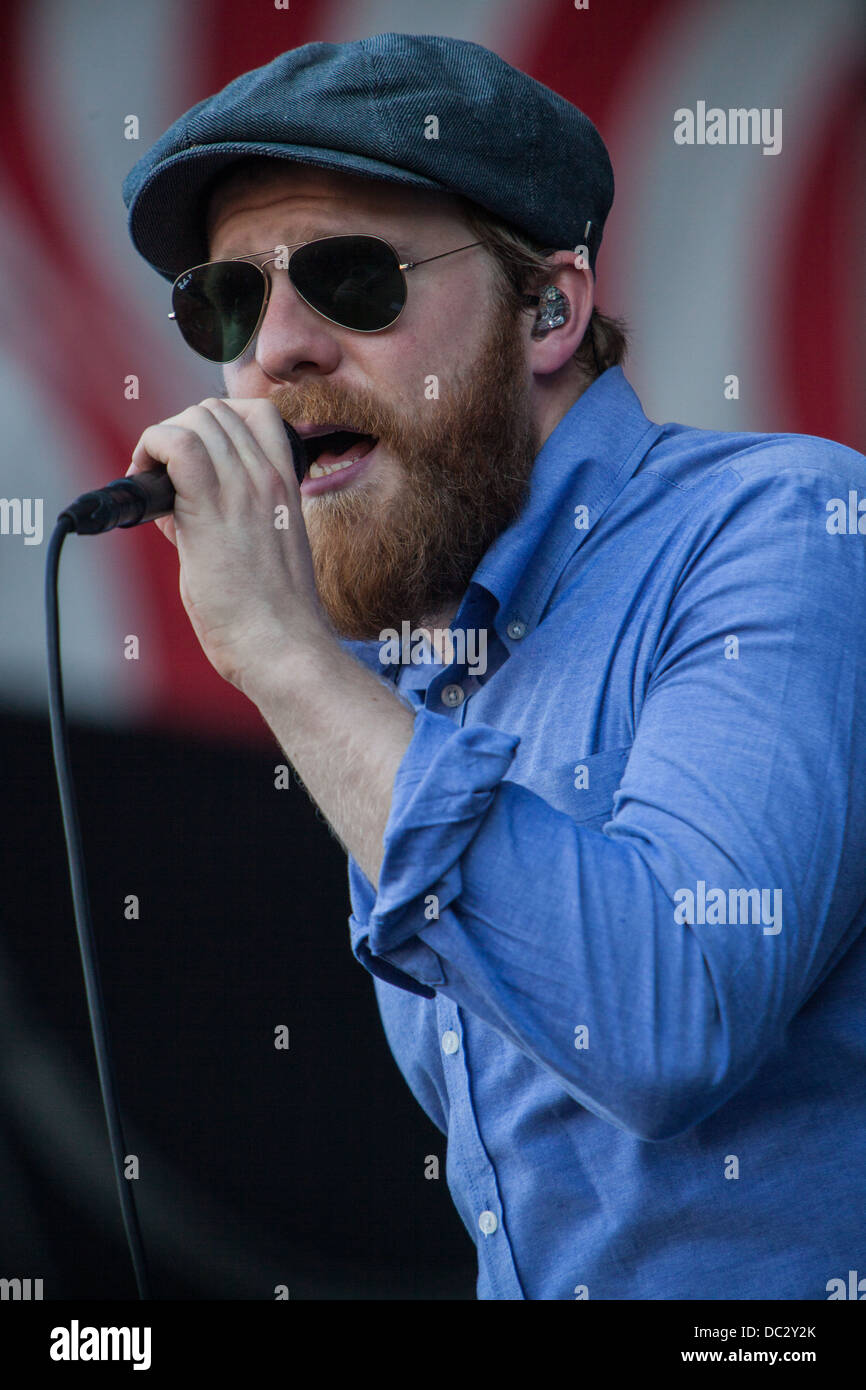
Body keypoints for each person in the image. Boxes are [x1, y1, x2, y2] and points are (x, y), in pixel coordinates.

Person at [123, 33, 866, 1300]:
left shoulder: (790, 525)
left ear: (550, 307)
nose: (276, 350)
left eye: (351, 279)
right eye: (228, 302)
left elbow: (664, 1015)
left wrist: (285, 656)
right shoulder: (410, 658)